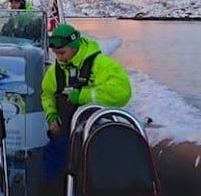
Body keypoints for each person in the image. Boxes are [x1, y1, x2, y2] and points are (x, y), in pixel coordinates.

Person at [39, 23, 132, 195]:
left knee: (94, 179)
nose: (58, 57)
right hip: (64, 134)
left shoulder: (101, 65)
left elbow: (122, 92)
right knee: (51, 175)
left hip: (96, 135)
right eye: (55, 53)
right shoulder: (55, 72)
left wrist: (82, 95)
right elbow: (47, 94)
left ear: (74, 46)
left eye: (62, 52)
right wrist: (51, 116)